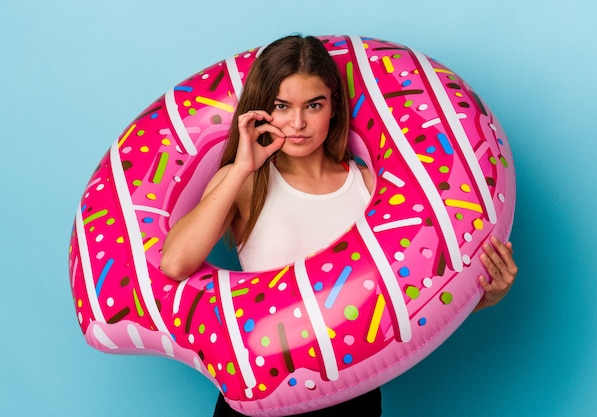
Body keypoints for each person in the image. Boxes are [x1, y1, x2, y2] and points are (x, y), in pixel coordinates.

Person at [160, 35, 518, 417]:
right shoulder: (246, 182)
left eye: (313, 105)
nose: (298, 123)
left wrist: (482, 298)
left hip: (353, 398)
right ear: (263, 109)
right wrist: (244, 165)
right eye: (282, 106)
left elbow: (407, 299)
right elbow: (176, 263)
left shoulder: (370, 186)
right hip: (266, 388)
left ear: (333, 107)